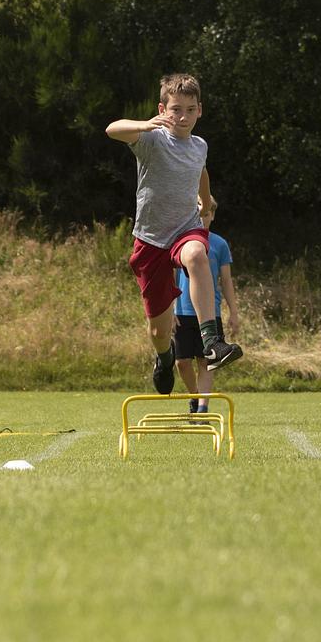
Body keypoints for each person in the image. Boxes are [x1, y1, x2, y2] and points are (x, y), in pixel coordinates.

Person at [106, 73, 242, 395]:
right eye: (176, 109)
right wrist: (144, 125)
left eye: (190, 110)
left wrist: (205, 204)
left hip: (186, 229)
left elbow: (201, 172)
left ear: (200, 111)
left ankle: (212, 343)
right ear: (163, 109)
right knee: (159, 329)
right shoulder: (152, 140)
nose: (182, 117)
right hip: (151, 240)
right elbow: (112, 129)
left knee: (198, 254)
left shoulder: (200, 146)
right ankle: (164, 357)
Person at [174, 196, 238, 415]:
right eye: (198, 212)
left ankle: (202, 408)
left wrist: (234, 313)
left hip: (209, 312)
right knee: (182, 362)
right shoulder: (179, 243)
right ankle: (194, 396)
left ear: (213, 216)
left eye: (207, 213)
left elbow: (226, 281)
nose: (203, 218)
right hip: (181, 311)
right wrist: (170, 308)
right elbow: (170, 278)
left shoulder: (219, 244)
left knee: (205, 360)